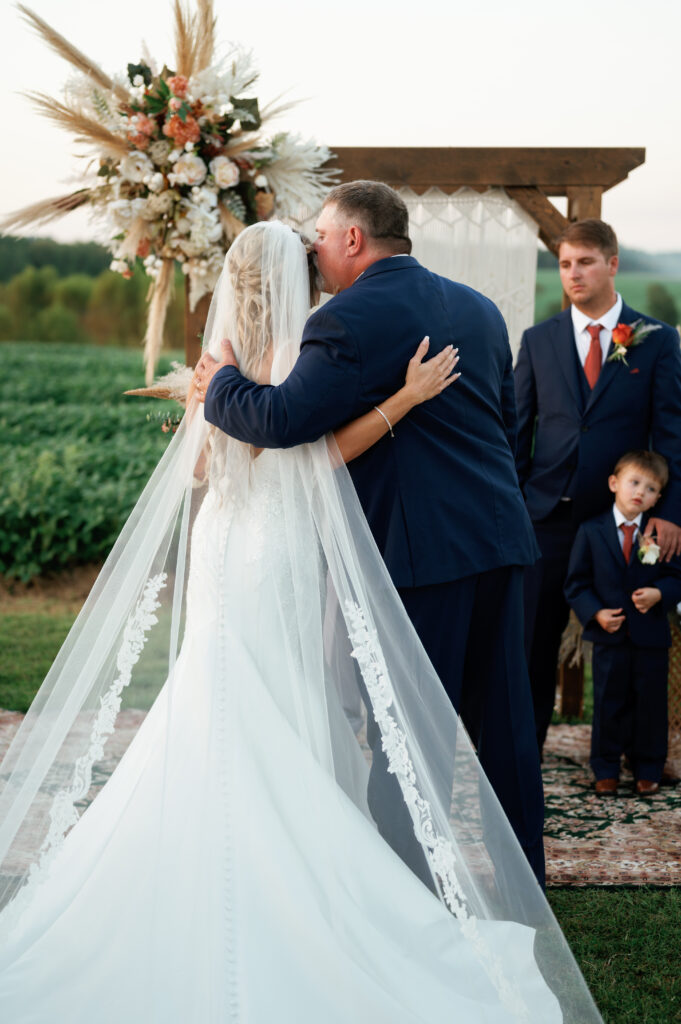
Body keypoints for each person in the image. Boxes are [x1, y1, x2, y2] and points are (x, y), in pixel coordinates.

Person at [0, 222, 602, 1022]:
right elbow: (304, 453)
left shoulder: (234, 364)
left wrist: (213, 399)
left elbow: (216, 463)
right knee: (287, 694)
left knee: (235, 689)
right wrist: (404, 399)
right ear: (290, 277)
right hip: (279, 543)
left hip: (232, 535)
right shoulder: (310, 350)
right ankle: (355, 870)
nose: (319, 257)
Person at [195, 180, 546, 886]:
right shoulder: (477, 308)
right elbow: (507, 429)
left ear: (352, 238)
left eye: (321, 237)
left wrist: (220, 383)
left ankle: (407, 889)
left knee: (409, 733)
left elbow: (283, 421)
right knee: (506, 729)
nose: (315, 253)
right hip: (502, 539)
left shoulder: (351, 318)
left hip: (422, 555)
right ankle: (524, 886)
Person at [515, 218, 681, 756]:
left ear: (612, 264)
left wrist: (671, 511)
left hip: (625, 523)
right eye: (564, 264)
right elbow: (518, 428)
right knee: (530, 641)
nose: (573, 273)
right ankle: (522, 748)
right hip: (546, 515)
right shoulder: (538, 340)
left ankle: (630, 756)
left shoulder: (656, 340)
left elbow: (671, 431)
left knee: (628, 639)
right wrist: (515, 504)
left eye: (585, 261)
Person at [564, 450, 681, 796]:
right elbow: (576, 584)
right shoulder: (591, 530)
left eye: (651, 488)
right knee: (608, 703)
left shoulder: (659, 535)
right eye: (634, 482)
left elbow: (676, 577)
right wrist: (596, 613)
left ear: (659, 497)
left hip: (651, 637)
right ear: (614, 483)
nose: (640, 492)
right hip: (609, 636)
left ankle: (648, 768)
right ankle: (606, 768)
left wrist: (659, 593)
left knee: (650, 705)